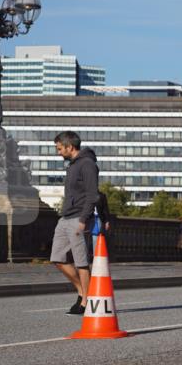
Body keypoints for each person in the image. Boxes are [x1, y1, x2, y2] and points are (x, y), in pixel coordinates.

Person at [50, 131, 99, 315]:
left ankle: (86, 301)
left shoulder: (87, 164)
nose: (58, 152)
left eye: (60, 148)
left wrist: (83, 219)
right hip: (65, 217)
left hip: (79, 218)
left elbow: (93, 195)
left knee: (81, 262)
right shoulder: (72, 165)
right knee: (57, 258)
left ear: (70, 147)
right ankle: (82, 291)